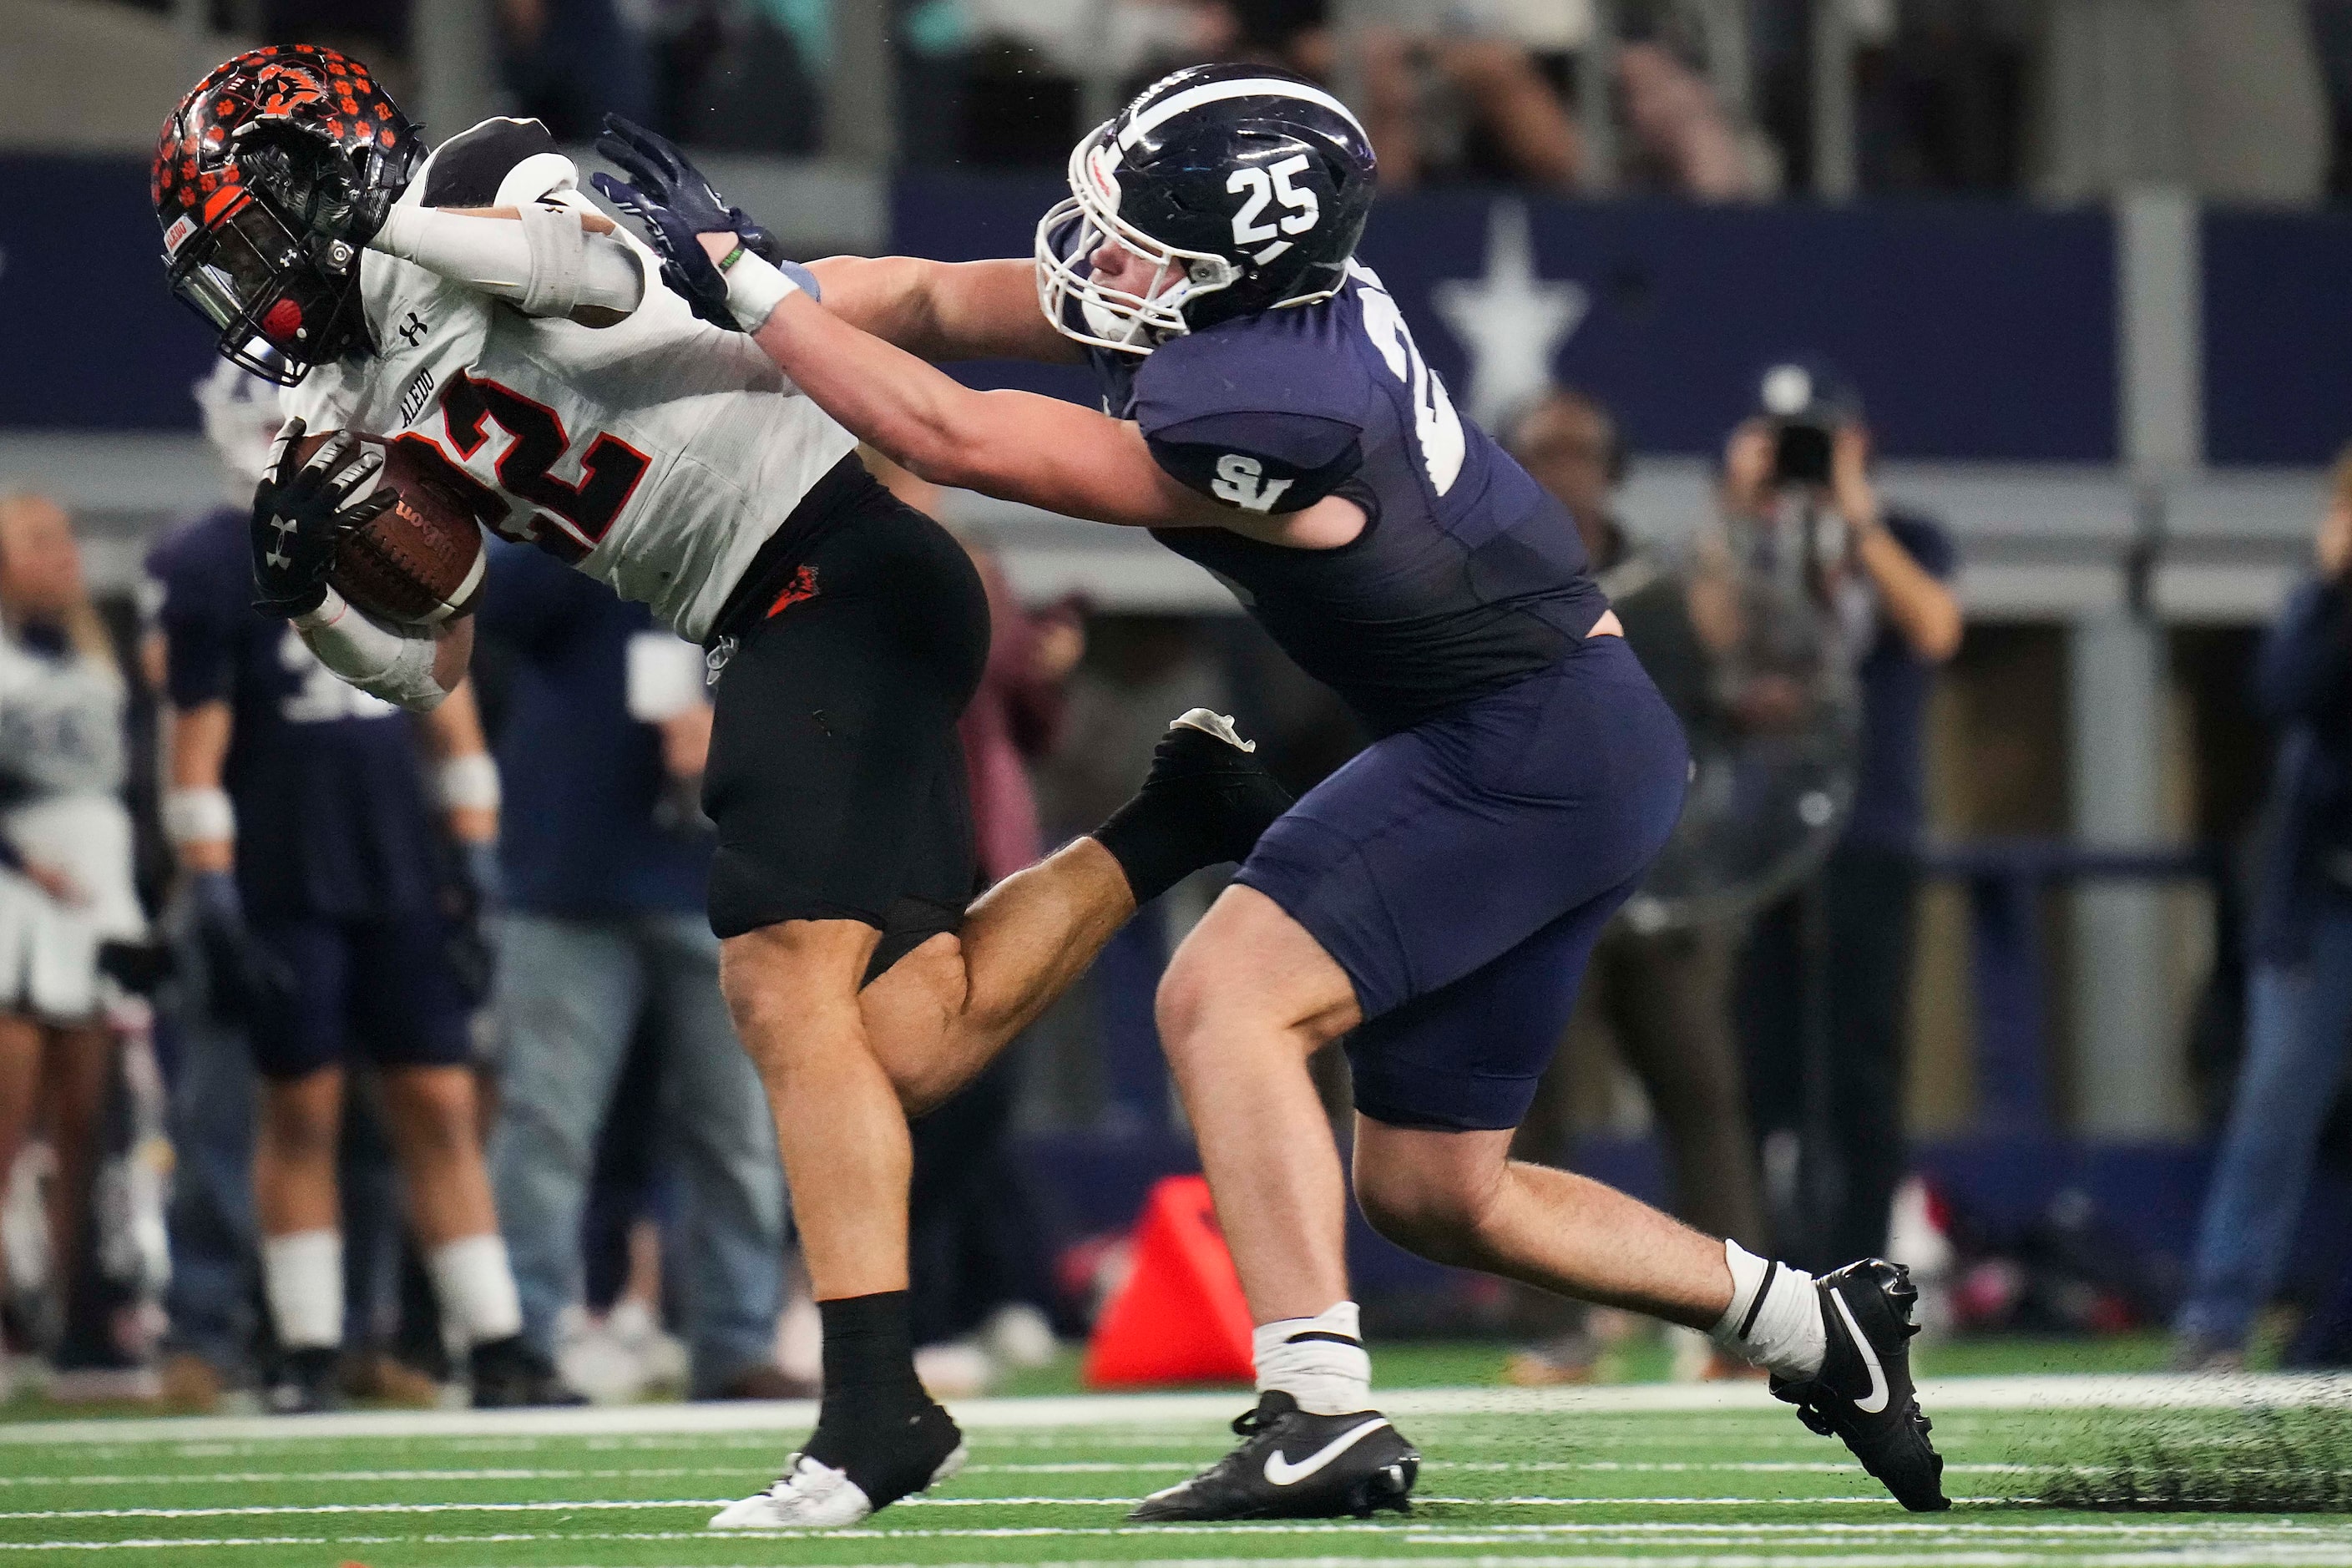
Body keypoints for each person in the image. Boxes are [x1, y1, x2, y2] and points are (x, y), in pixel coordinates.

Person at [595, 62, 1950, 1524]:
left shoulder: (1270, 399)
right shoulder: (1224, 304)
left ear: (1241, 266)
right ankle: (1814, 1321)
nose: (1100, 260)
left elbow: (958, 438)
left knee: (1221, 996)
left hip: (1527, 741)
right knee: (1438, 1193)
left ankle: (1317, 1410)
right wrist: (708, 284)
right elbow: (921, 299)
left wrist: (748, 287)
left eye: (1143, 246)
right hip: (1537, 731)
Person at [154, 43, 1285, 1519]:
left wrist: (383, 225)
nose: (252, 286)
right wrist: (317, 595)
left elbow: (608, 281)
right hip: (778, 616)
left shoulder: (475, 181)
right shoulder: (339, 405)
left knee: (770, 988)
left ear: (329, 175)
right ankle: (1174, 821)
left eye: (254, 233)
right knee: (888, 1042)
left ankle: (870, 1406)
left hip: (836, 557)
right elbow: (426, 665)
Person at [146, 405, 571, 1409]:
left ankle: (498, 1340)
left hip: (398, 868)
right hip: (288, 872)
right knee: (301, 1111)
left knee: (440, 1102)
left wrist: (473, 858)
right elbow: (194, 748)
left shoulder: (397, 522)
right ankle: (304, 1346)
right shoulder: (212, 561)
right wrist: (209, 881)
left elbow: (448, 710)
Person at [474, 539, 797, 1401]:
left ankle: (736, 1344)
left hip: (717, 878)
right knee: (546, 1126)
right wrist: (579, 518)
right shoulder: (575, 532)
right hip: (569, 877)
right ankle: (523, 1345)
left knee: (735, 1131)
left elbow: (820, 682)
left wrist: (735, 732)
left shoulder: (752, 533)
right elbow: (486, 605)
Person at [1499, 387, 1768, 1383]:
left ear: (1612, 471)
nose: (1561, 472)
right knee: (1534, 1111)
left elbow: (1715, 728)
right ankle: (1561, 1328)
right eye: (1540, 453)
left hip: (1659, 893)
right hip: (1538, 897)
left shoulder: (1666, 589)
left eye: (1579, 453)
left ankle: (1739, 1326)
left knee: (1702, 1094)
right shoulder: (1484, 575)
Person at [1719, 362, 1963, 1275]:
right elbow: (1701, 643)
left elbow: (1935, 629)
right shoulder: (1753, 546)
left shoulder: (1907, 536)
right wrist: (1742, 512)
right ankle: (1765, 1275)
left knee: (1864, 1067)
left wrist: (1855, 513)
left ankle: (1864, 1272)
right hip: (1765, 838)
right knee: (1759, 1064)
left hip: (1871, 831)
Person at [2173, 446, 2352, 1370]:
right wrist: (2329, 583)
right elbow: (2281, 690)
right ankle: (2216, 1322)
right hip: (2323, 899)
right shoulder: (2325, 604)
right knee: (2272, 1113)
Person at [0, 493, 148, 1399]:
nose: (61, 557)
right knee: (6, 1131)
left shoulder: (102, 647)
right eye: (36, 542)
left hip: (98, 891)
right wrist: (21, 858)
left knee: (89, 1132)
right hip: (18, 894)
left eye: (64, 540)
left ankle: (76, 1319)